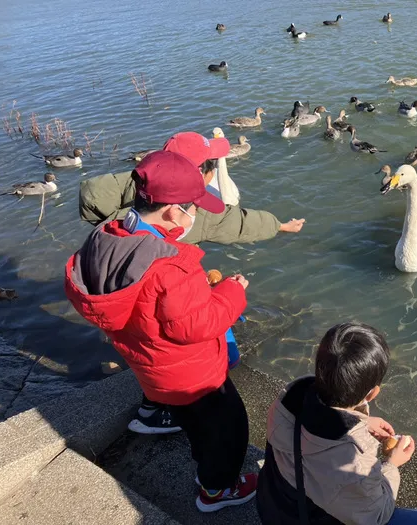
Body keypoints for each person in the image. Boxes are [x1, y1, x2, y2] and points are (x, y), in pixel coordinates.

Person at [65, 150, 257, 513]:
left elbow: (151, 310)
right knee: (229, 431)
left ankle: (208, 471)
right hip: (195, 377)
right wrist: (232, 292)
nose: (196, 215)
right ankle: (216, 491)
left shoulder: (104, 239)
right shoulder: (171, 268)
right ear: (173, 212)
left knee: (198, 428)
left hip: (156, 374)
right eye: (194, 207)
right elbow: (197, 325)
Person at [81, 131, 304, 434]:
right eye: (210, 167)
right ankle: (171, 416)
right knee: (207, 394)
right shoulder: (178, 233)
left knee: (147, 342)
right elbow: (234, 224)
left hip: (129, 316)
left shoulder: (124, 217)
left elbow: (91, 195)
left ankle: (154, 404)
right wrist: (232, 291)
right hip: (174, 357)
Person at [256, 322, 417, 525]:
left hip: (273, 507)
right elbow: (375, 515)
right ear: (373, 393)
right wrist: (392, 465)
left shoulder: (290, 396)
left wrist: (362, 420)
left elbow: (318, 422)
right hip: (309, 518)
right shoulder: (352, 463)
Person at [78, 131, 305, 245]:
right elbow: (240, 224)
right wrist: (281, 226)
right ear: (200, 175)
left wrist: (111, 223)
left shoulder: (137, 179)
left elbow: (92, 192)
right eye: (211, 166)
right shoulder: (197, 214)